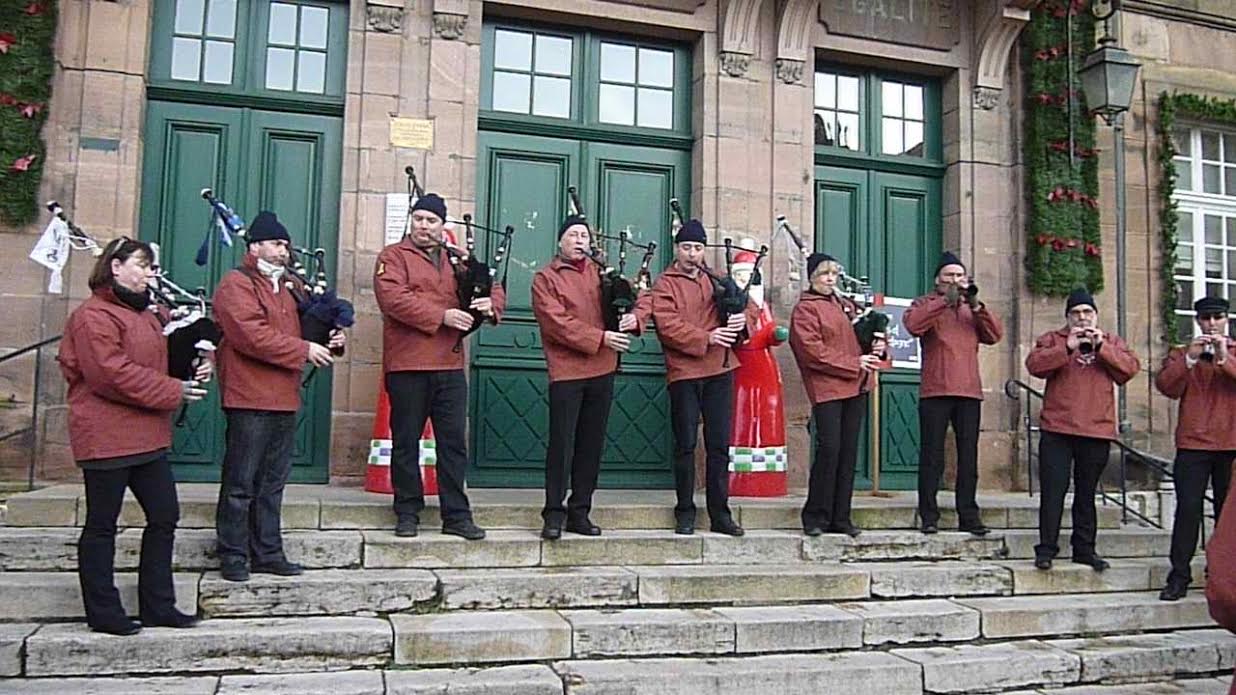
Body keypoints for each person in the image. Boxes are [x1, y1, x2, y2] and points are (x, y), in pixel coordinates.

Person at [58, 237, 208, 635]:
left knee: (164, 515)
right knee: (102, 524)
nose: (149, 273)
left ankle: (158, 605)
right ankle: (104, 612)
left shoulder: (147, 315)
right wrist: (173, 391)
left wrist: (191, 369)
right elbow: (111, 374)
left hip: (147, 435)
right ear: (115, 266)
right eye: (141, 265)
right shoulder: (93, 317)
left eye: (150, 266)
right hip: (106, 434)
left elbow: (157, 360)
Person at [212, 212, 344, 582]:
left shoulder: (291, 287)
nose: (284, 250)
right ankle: (234, 553)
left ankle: (267, 551)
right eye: (276, 243)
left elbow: (310, 324)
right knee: (241, 482)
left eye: (285, 244)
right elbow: (250, 335)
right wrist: (303, 349)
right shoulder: (236, 285)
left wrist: (331, 338)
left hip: (284, 395)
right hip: (249, 395)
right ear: (255, 247)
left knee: (272, 481)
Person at [374, 193, 505, 540]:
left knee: (452, 444)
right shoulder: (393, 256)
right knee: (406, 441)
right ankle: (407, 510)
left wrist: (491, 304)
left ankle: (457, 515)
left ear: (442, 226)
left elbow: (491, 283)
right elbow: (393, 299)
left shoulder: (455, 260)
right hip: (408, 364)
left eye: (431, 221)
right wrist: (441, 315)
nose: (423, 226)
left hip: (448, 365)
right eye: (418, 219)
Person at [531, 215, 640, 539]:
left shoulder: (602, 274)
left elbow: (639, 298)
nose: (580, 241)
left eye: (584, 236)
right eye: (573, 235)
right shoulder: (545, 278)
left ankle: (580, 511)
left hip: (602, 368)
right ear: (560, 241)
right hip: (567, 370)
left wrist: (634, 316)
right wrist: (600, 338)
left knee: (591, 445)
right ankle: (553, 513)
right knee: (562, 444)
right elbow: (556, 322)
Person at [1026, 288, 1140, 572]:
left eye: (1087, 313)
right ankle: (1046, 549)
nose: (1082, 318)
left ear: (1096, 316)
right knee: (1053, 492)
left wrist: (1102, 347)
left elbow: (1129, 370)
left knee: (1087, 494)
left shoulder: (1110, 341)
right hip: (1058, 429)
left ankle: (1085, 550)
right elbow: (1034, 365)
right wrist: (1067, 347)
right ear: (1067, 317)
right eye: (1076, 313)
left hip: (1096, 430)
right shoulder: (1053, 339)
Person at [649, 219, 746, 537]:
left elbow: (749, 308)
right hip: (685, 371)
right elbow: (668, 325)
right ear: (677, 249)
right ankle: (685, 511)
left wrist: (742, 315)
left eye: (699, 248)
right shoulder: (665, 283)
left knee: (719, 445)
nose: (693, 254)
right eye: (687, 247)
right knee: (686, 444)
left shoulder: (716, 278)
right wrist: (707, 337)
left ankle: (721, 514)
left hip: (719, 369)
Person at [904, 251, 1003, 535]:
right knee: (932, 456)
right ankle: (929, 515)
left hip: (969, 391)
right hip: (935, 390)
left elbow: (994, 335)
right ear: (938, 280)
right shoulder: (925, 303)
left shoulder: (971, 309)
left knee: (968, 458)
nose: (955, 280)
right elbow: (913, 325)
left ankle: (969, 516)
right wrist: (944, 302)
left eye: (959, 276)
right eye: (949, 276)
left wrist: (976, 305)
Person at [790, 253, 886, 537]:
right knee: (829, 449)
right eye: (823, 274)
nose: (830, 279)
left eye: (833, 274)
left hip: (857, 385)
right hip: (828, 387)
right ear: (811, 278)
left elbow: (862, 335)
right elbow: (811, 351)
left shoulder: (845, 304)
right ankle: (815, 516)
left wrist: (877, 344)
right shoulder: (805, 310)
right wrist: (853, 363)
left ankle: (841, 517)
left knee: (847, 453)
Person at [1155, 296, 1236, 600]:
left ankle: (1222, 577)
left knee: (1226, 517)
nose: (1211, 323)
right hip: (1192, 445)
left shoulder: (1232, 352)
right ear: (1198, 321)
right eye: (1206, 318)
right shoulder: (1182, 354)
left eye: (1217, 317)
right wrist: (1189, 360)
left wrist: (1223, 357)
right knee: (1188, 512)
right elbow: (1166, 386)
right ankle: (1179, 576)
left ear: (1226, 319)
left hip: (1230, 444)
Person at [727, 246, 789, 497]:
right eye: (739, 276)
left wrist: (776, 334)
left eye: (749, 277)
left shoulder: (763, 306)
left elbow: (770, 328)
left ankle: (768, 479)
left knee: (768, 416)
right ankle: (739, 478)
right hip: (738, 366)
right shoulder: (731, 304)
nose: (745, 282)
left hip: (764, 368)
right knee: (738, 414)